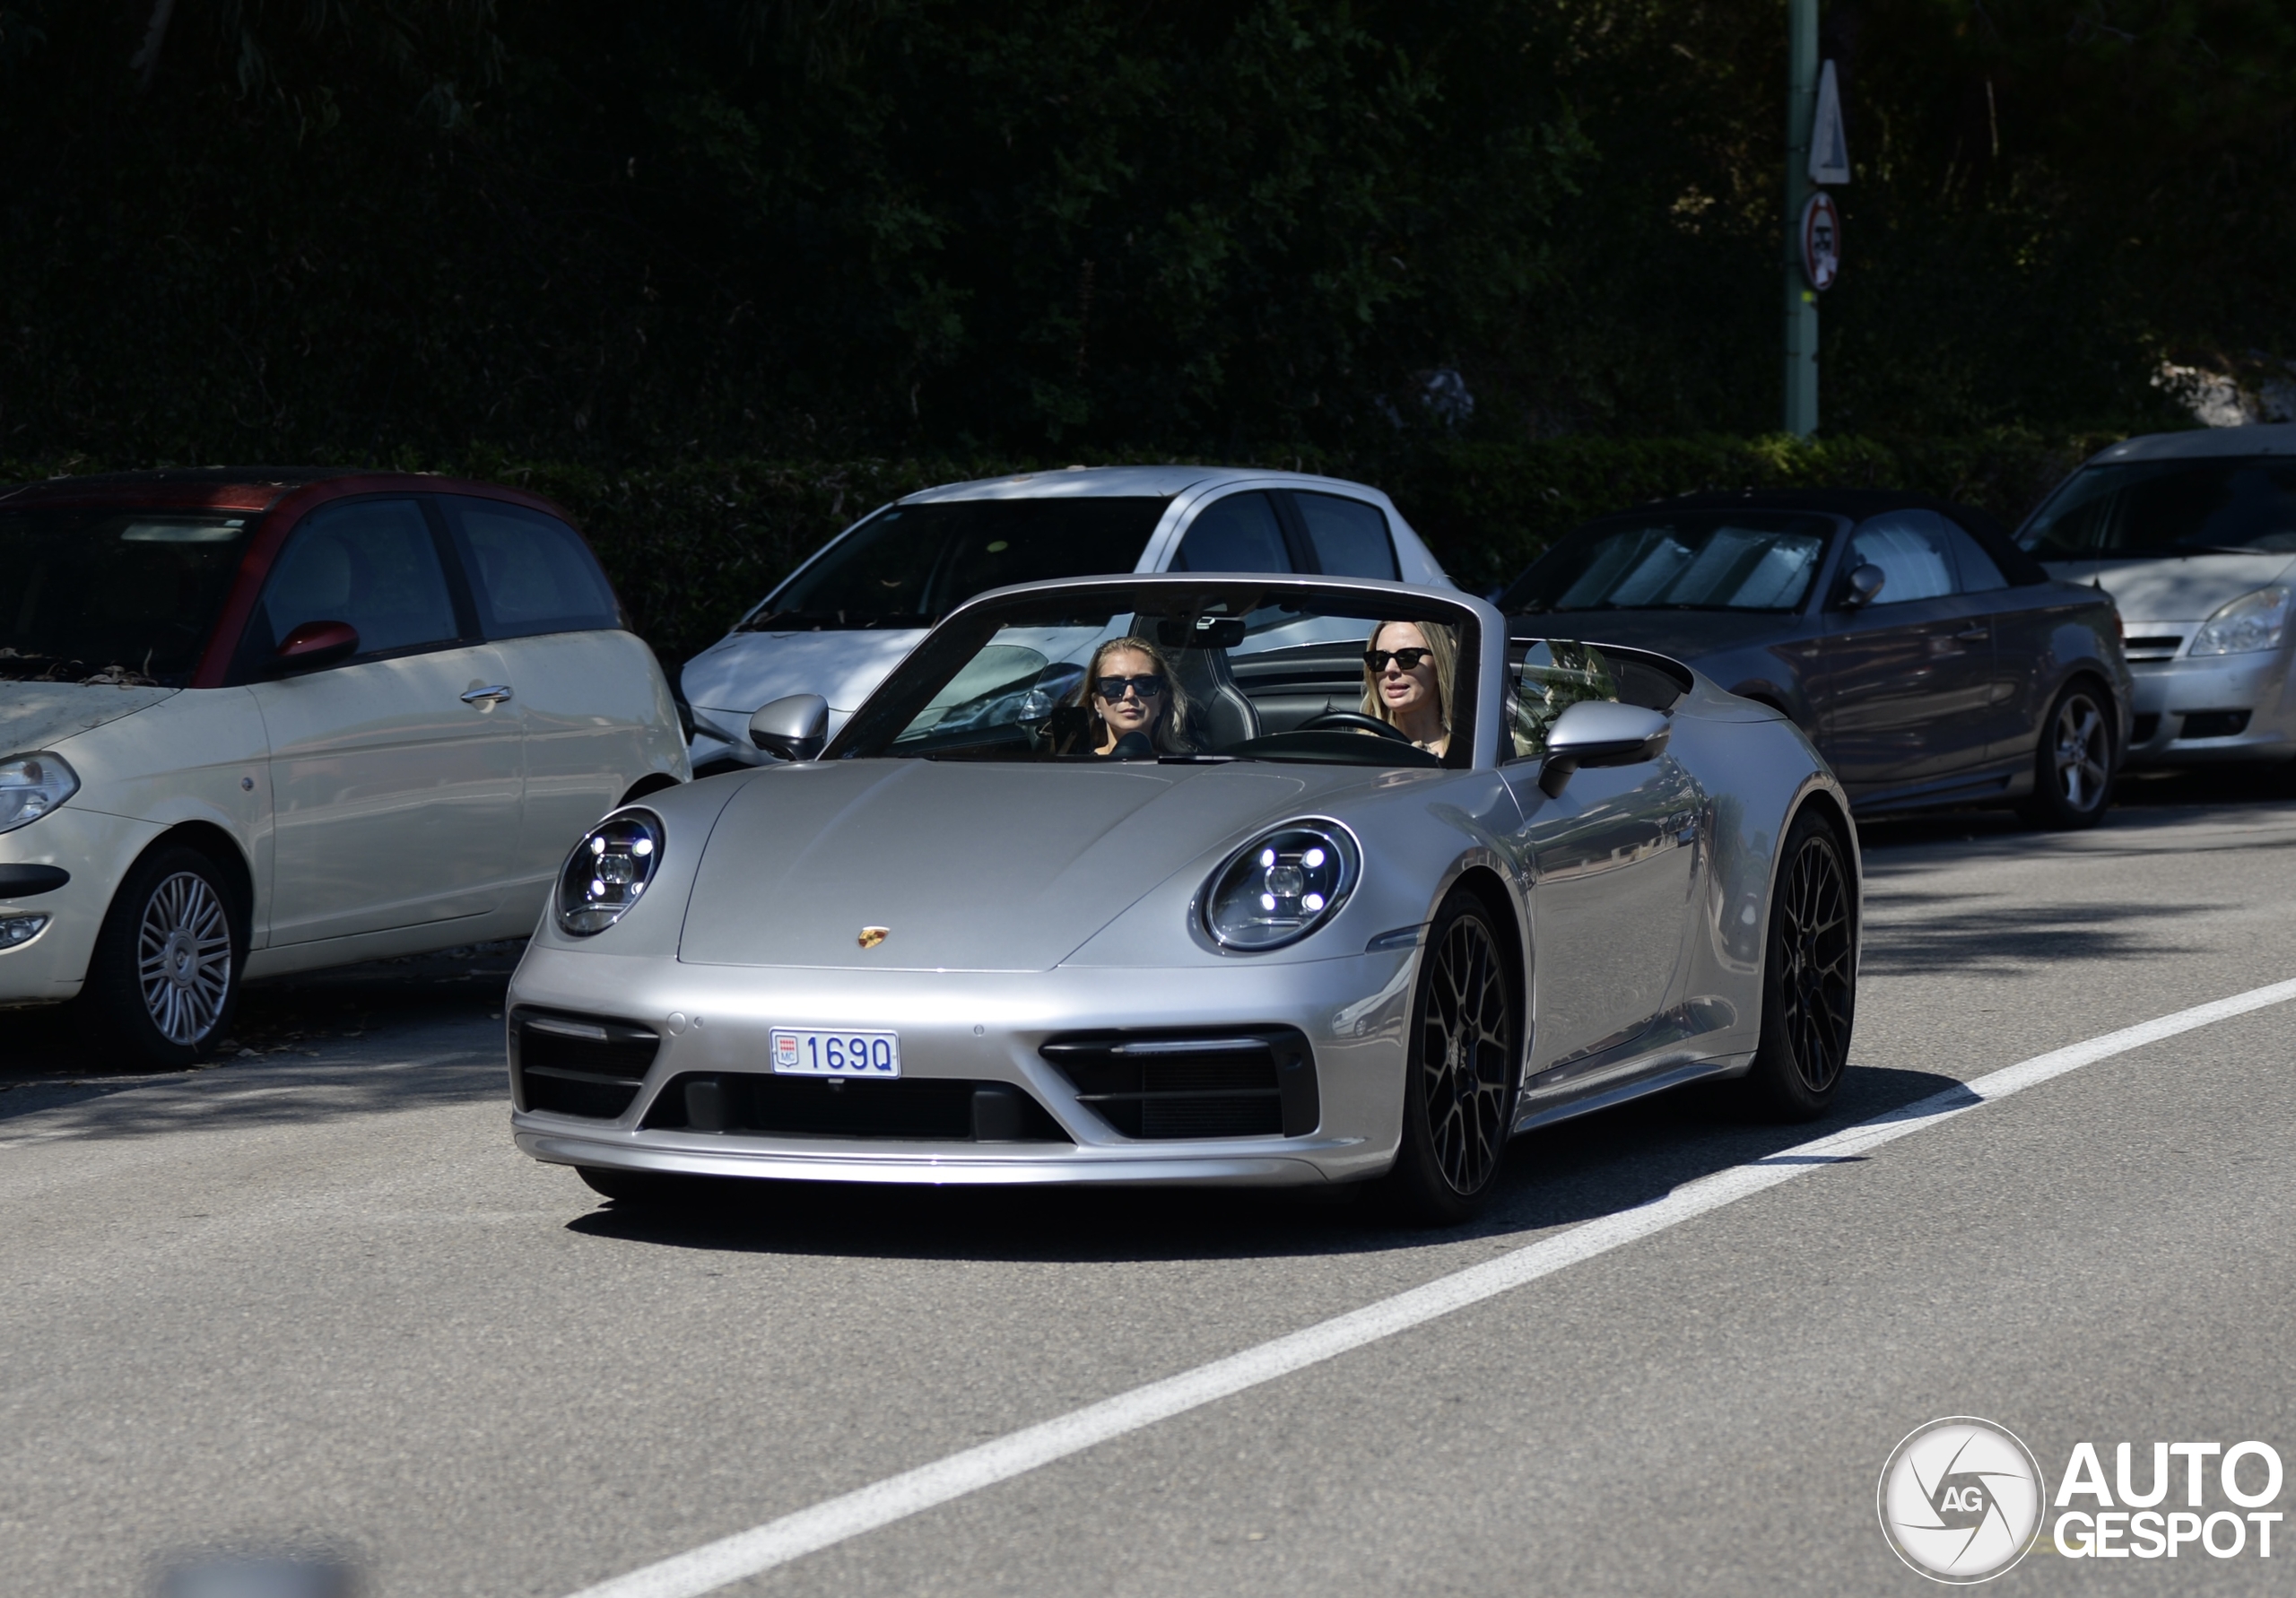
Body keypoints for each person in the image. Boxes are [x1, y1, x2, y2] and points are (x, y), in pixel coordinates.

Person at [1066, 636, 1194, 757]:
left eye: (1144, 684)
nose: (1129, 694)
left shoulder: (1187, 769)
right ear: (1097, 703)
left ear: (1160, 700)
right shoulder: (1071, 769)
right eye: (1114, 686)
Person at [1361, 620, 1457, 757]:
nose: (1389, 669)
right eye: (1380, 659)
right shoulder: (1359, 750)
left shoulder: (1474, 753)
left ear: (1439, 664)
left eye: (1407, 657)